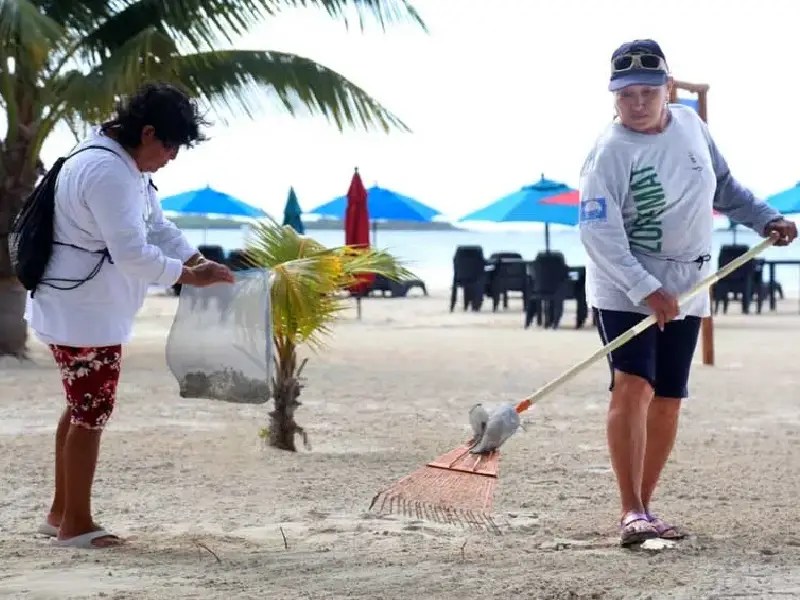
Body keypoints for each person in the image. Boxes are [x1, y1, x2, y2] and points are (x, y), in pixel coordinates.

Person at [578, 39, 797, 547]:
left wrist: (766, 217)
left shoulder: (693, 127)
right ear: (613, 96)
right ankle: (629, 509)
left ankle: (647, 504)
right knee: (633, 385)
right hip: (624, 288)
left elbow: (724, 188)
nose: (636, 103)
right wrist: (645, 288)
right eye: (626, 94)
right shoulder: (608, 153)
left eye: (646, 92)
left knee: (670, 398)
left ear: (668, 89)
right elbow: (597, 232)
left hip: (690, 285)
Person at [29, 82, 235, 549]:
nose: (173, 157)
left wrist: (196, 259)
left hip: (79, 306)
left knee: (81, 406)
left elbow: (157, 226)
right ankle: (75, 525)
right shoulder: (108, 171)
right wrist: (188, 277)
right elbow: (132, 255)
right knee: (92, 409)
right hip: (82, 310)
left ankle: (60, 514)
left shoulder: (121, 164)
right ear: (147, 133)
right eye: (170, 145)